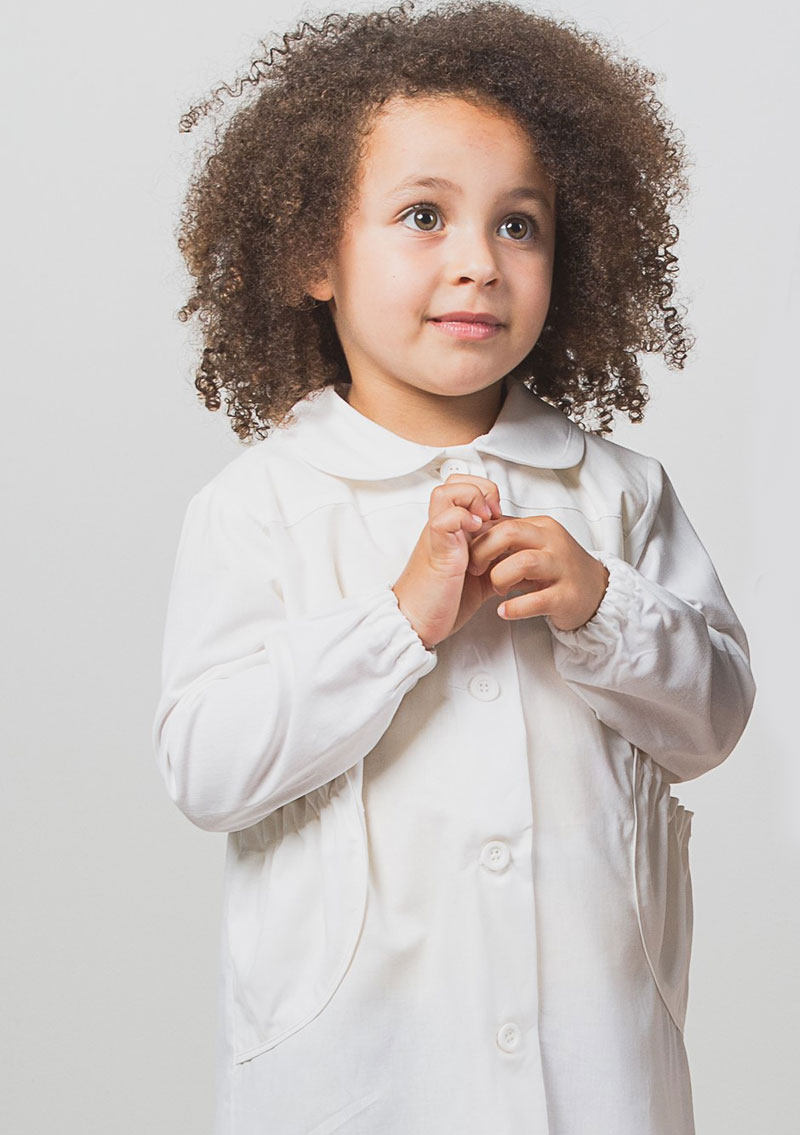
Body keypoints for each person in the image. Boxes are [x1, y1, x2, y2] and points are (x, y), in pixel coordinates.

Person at [151, 2, 756, 1132]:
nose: (477, 261)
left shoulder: (614, 494)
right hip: (351, 1076)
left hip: (597, 1072)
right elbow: (204, 765)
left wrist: (601, 604)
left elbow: (712, 717)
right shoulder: (262, 504)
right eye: (423, 215)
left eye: (517, 225)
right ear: (310, 255)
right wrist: (393, 624)